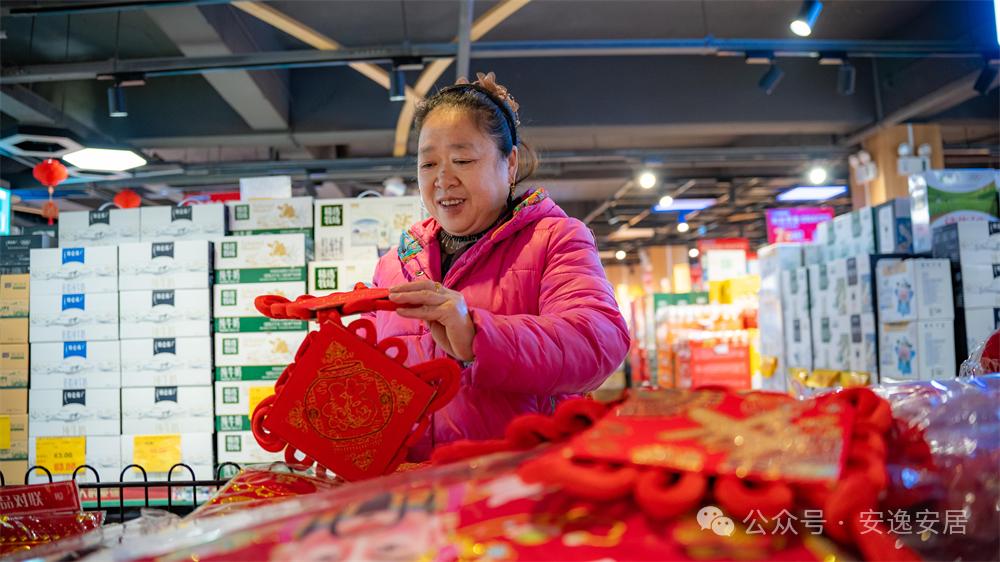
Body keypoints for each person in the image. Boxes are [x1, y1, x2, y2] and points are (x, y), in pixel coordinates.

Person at [372, 72, 630, 460]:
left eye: (462, 160)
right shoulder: (395, 265)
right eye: (428, 164)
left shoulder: (554, 239)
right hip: (417, 487)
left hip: (522, 480)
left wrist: (477, 335)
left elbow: (598, 341)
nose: (442, 179)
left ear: (509, 164)